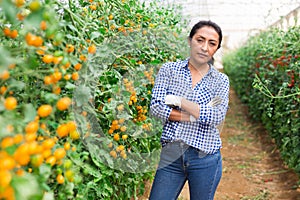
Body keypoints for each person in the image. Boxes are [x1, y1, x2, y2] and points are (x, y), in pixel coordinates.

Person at [149, 20, 230, 200]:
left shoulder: (220, 80)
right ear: (190, 40)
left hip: (205, 158)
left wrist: (179, 101)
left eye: (212, 43)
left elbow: (216, 117)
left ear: (216, 49)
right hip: (171, 156)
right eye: (200, 40)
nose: (204, 47)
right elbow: (156, 107)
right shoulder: (169, 70)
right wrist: (195, 116)